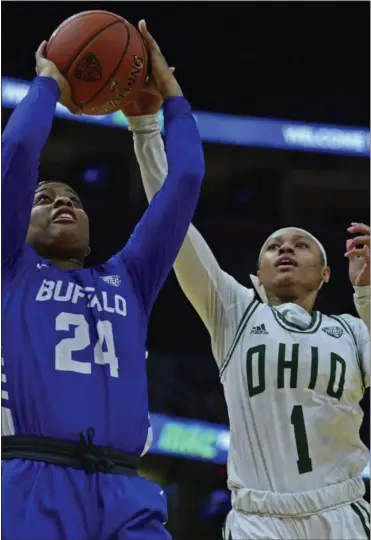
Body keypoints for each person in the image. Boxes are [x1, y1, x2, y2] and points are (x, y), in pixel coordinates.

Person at [125, 77, 370, 539]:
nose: (285, 249)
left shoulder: (352, 331)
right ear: (255, 276)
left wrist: (368, 297)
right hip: (260, 520)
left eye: (301, 244)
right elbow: (171, 219)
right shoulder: (236, 313)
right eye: (274, 244)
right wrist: (144, 128)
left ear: (325, 274)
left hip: (341, 512)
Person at [2, 21, 204, 540]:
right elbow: (19, 152)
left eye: (72, 198)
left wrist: (164, 104)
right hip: (31, 481)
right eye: (43, 199)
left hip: (125, 489)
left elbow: (185, 179)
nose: (62, 202)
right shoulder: (11, 269)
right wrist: (48, 81)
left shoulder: (130, 277)